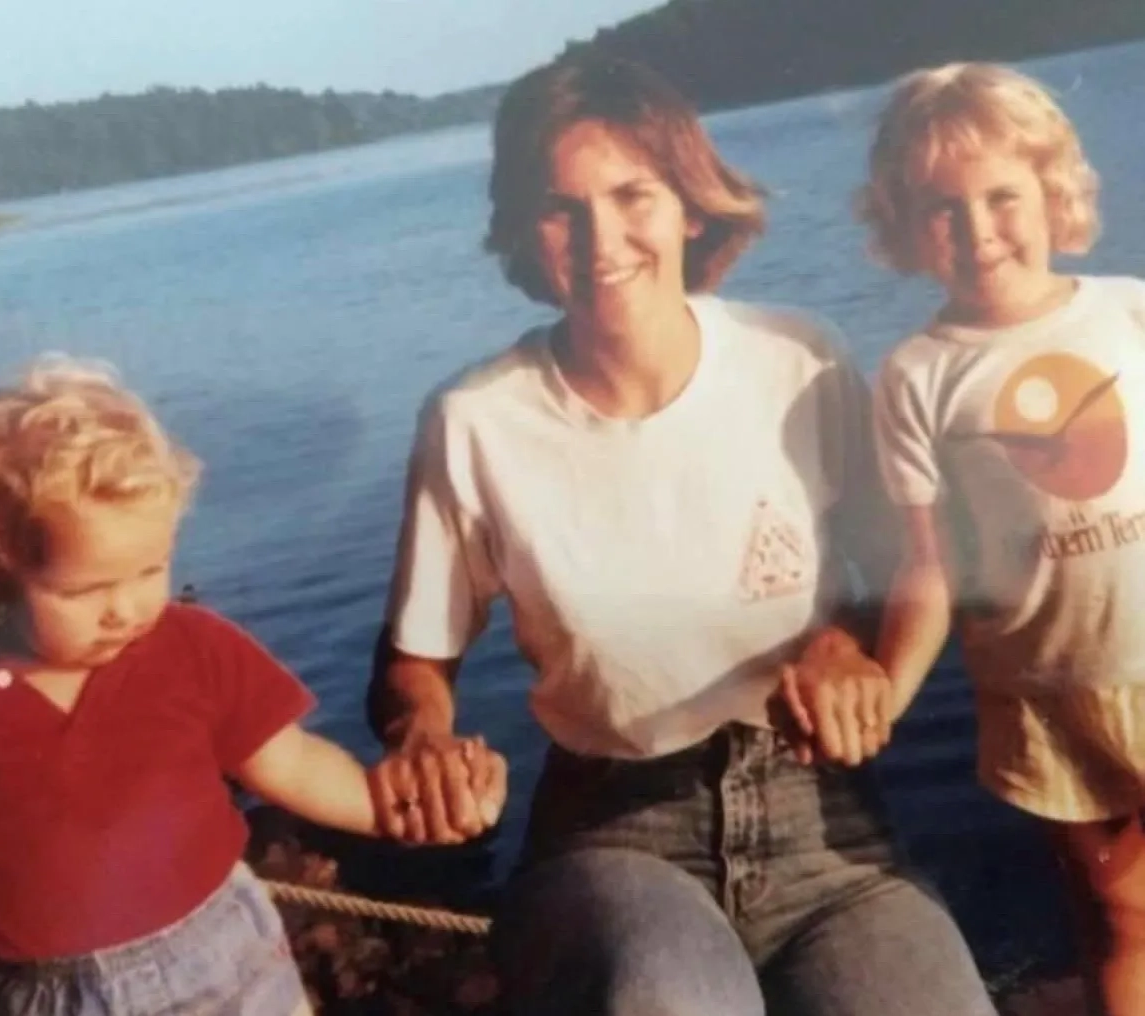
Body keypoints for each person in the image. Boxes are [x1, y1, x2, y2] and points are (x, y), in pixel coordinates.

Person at [368, 53, 996, 1015]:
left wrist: (844, 649)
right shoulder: (474, 423)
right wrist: (426, 738)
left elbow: (900, 574)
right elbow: (415, 662)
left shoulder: (800, 359)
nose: (602, 239)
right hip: (614, 833)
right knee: (671, 998)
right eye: (561, 209)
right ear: (523, 230)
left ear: (692, 206)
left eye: (633, 196)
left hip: (826, 825)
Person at [0, 356, 504, 1015]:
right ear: (1, 560)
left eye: (150, 571)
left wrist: (405, 810)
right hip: (50, 993)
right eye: (85, 591)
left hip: (230, 958)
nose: (125, 609)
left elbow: (295, 764)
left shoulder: (192, 650)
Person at [860, 62, 1145, 1016]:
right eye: (942, 208)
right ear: (905, 227)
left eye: (1001, 197)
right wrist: (885, 692)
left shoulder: (1130, 310)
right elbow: (930, 566)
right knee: (1118, 914)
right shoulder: (916, 375)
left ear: (1053, 191)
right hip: (1049, 695)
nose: (978, 228)